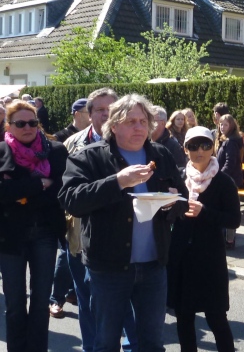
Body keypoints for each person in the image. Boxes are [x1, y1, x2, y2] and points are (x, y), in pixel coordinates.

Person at [59, 94, 189, 351]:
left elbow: (182, 198)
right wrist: (118, 181)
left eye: (143, 121)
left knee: (152, 343)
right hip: (108, 267)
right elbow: (71, 200)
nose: (139, 127)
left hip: (153, 266)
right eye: (131, 121)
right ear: (114, 124)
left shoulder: (160, 154)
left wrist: (172, 203)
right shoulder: (90, 156)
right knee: (106, 342)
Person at [61, 88, 137, 352]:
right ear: (89, 113)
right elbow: (66, 195)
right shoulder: (73, 144)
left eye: (111, 109)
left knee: (128, 306)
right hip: (82, 238)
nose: (106, 114)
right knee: (88, 303)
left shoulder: (134, 144)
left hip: (125, 241)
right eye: (100, 109)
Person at [0, 100, 69, 351]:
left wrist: (18, 192)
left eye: (32, 122)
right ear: (9, 125)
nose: (27, 127)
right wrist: (39, 184)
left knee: (40, 303)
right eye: (20, 123)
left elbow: (61, 190)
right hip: (10, 236)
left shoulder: (56, 150)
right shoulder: (1, 151)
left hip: (45, 234)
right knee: (15, 304)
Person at [167, 127, 241, 352]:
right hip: (181, 257)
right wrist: (167, 205)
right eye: (193, 146)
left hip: (210, 259)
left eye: (205, 145)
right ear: (185, 149)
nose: (199, 151)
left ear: (213, 148)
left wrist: (204, 211)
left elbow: (234, 220)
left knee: (216, 318)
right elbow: (165, 216)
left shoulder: (223, 181)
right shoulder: (178, 178)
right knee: (184, 317)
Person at [216, 114, 243, 248]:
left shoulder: (231, 142)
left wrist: (219, 177)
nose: (222, 127)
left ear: (231, 126)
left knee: (229, 209)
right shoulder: (225, 140)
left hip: (229, 180)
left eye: (225, 125)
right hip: (229, 179)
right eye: (221, 124)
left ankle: (229, 240)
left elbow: (230, 163)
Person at [152, 106, 187, 170]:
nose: (147, 124)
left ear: (162, 123)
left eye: (152, 121)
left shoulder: (173, 146)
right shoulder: (142, 144)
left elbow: (180, 170)